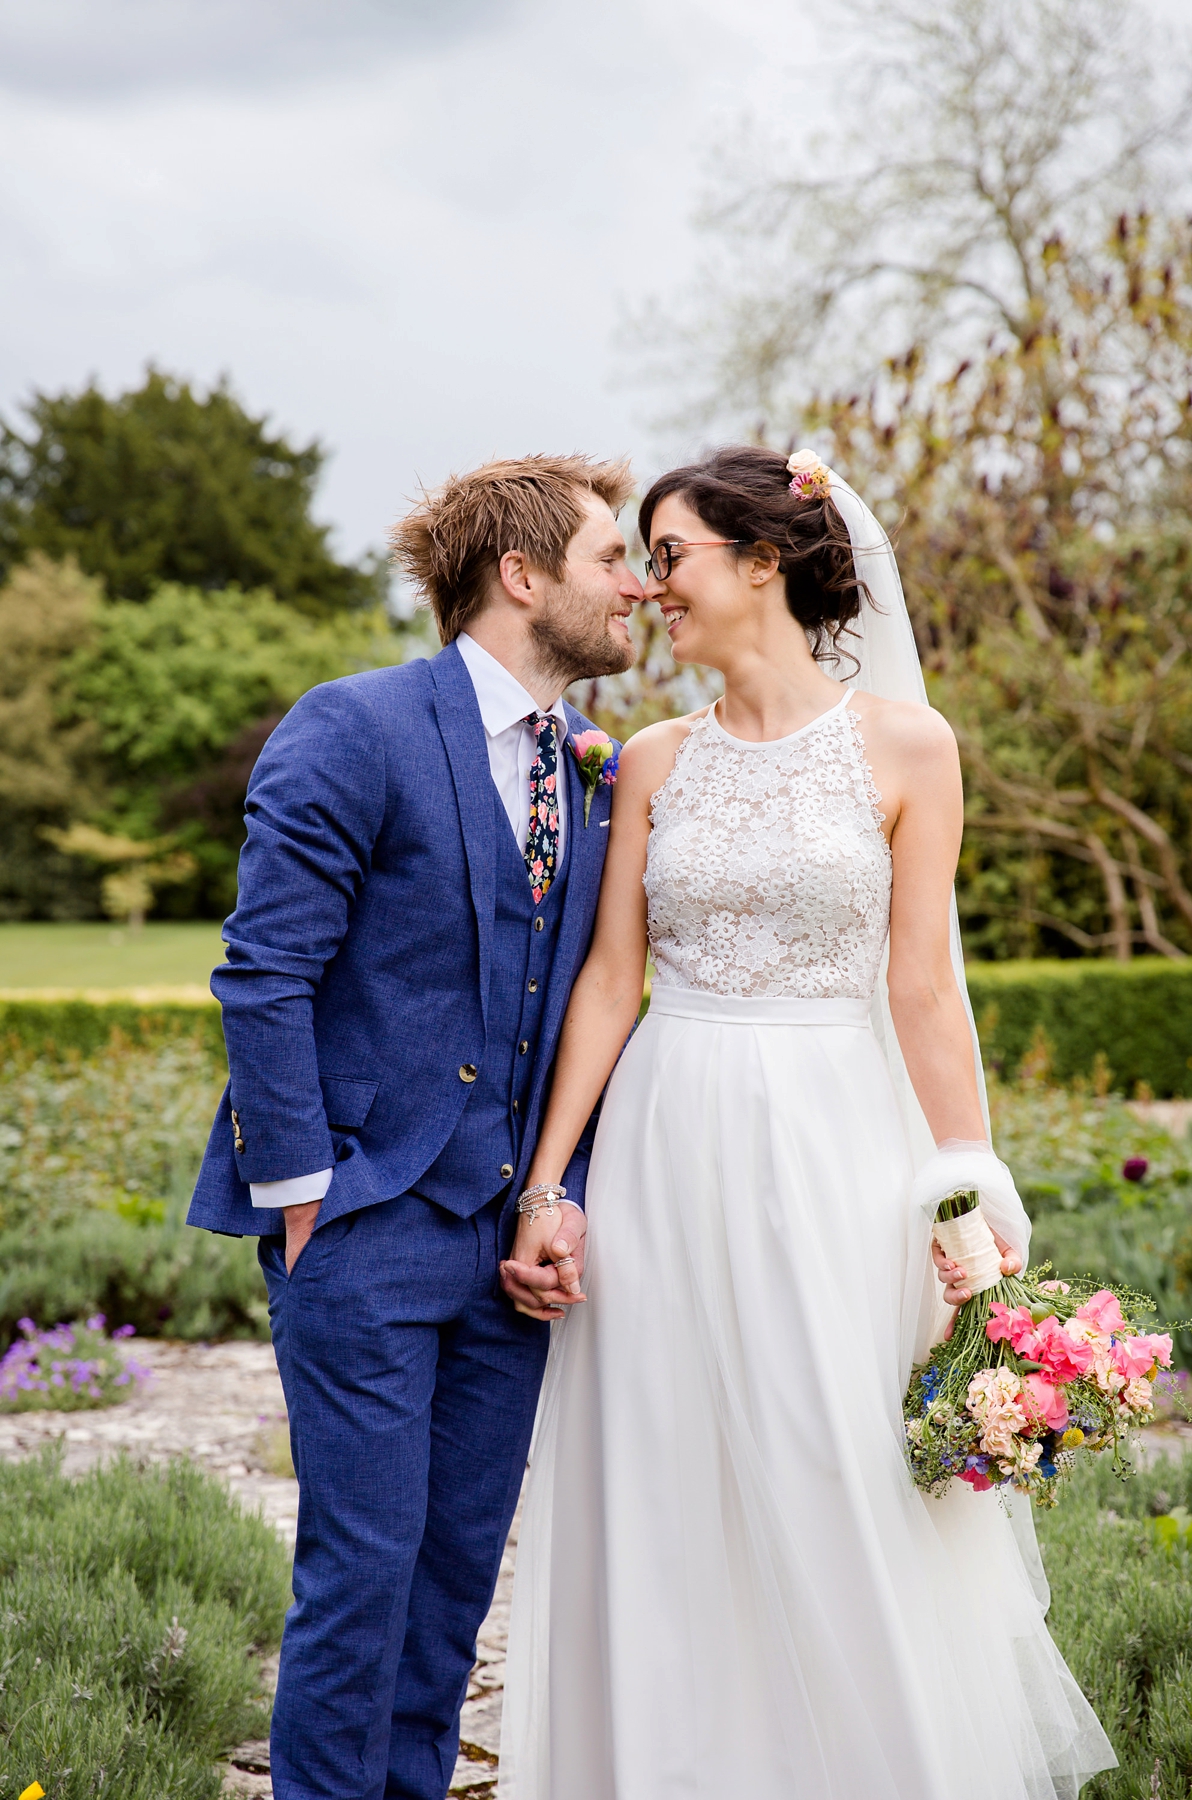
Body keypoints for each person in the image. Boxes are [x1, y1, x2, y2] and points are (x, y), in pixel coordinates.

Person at [498, 446, 1116, 1799]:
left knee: (831, 1455)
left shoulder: (908, 746)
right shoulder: (651, 760)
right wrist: (547, 1181)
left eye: (671, 557)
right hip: (670, 1138)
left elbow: (921, 984)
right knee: (665, 1475)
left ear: (763, 562)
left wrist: (963, 1182)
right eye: (647, 561)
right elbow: (613, 980)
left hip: (840, 1140)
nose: (653, 587)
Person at [186, 453, 642, 1800]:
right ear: (522, 577)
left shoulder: (586, 769)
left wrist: (556, 1198)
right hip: (366, 1227)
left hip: (506, 1245)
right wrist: (302, 1188)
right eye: (612, 557)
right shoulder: (356, 724)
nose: (637, 585)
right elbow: (263, 971)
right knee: (363, 1576)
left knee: (449, 1592)